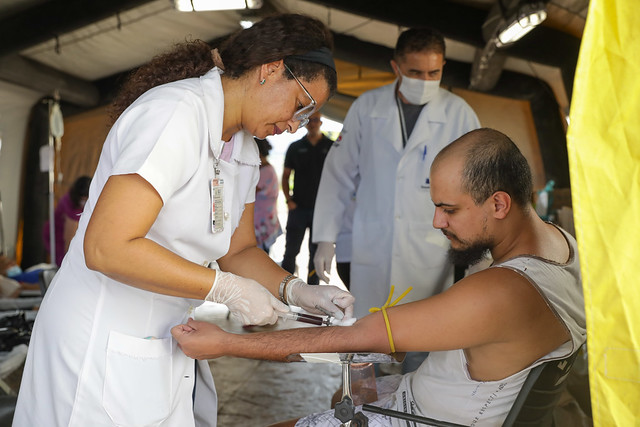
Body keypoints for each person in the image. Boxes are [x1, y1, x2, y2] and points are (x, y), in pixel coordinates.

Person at [14, 14, 354, 427]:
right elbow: (107, 246)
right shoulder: (174, 113)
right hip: (99, 336)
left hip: (163, 336)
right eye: (300, 107)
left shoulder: (244, 147)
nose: (294, 125)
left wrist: (294, 290)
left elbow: (239, 250)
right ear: (271, 69)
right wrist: (223, 288)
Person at [172, 128, 587, 426]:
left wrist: (224, 343)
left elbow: (354, 339)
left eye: (450, 209)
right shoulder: (562, 247)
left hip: (421, 418)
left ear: (499, 203)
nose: (436, 221)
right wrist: (298, 290)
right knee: (349, 393)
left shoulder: (503, 291)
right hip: (428, 400)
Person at [312, 27, 480, 319]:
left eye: (433, 73)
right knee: (371, 334)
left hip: (431, 247)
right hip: (373, 242)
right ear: (396, 67)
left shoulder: (460, 114)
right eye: (415, 72)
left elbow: (479, 185)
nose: (425, 81)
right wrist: (326, 237)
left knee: (427, 335)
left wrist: (479, 248)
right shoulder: (366, 107)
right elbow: (338, 174)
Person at [281, 111, 333, 284]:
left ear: (321, 122)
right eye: (309, 120)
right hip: (299, 208)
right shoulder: (295, 147)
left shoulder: (331, 146)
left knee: (316, 254)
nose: (313, 123)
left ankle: (313, 295)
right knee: (291, 251)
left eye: (316, 120)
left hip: (322, 211)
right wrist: (289, 200)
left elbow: (340, 177)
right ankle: (284, 289)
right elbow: (286, 176)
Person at [42, 175, 91, 266]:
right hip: (58, 237)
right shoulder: (70, 204)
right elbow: (68, 238)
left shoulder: (87, 201)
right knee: (65, 263)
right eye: (82, 199)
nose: (84, 202)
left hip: (65, 236)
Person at [254, 138, 283, 254]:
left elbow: (251, 190)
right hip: (263, 218)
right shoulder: (265, 169)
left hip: (262, 219)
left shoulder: (265, 171)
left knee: (260, 255)